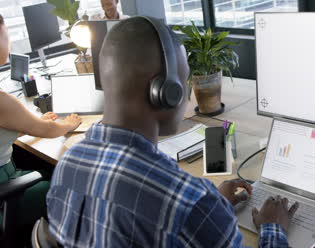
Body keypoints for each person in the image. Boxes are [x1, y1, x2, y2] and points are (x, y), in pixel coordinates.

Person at [47, 16, 299, 247]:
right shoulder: (190, 204)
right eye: (184, 80)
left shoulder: (67, 164)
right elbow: (178, 207)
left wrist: (215, 202)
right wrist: (272, 228)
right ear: (167, 92)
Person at [0, 15, 82, 245]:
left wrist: (26, 125)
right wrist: (69, 123)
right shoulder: (1, 100)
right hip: (5, 189)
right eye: (6, 34)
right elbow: (48, 131)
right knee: (65, 183)